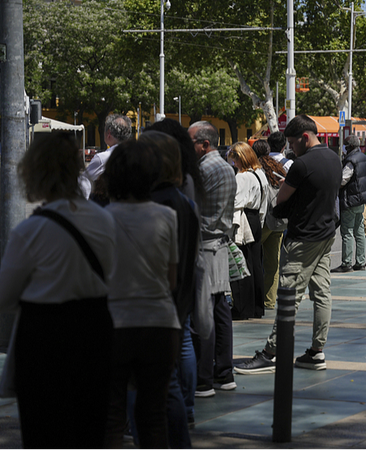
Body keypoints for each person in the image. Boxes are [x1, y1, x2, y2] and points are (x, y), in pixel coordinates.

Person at [0, 132, 116, 449]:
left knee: (44, 431)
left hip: (43, 338)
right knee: (90, 430)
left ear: (34, 174)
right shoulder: (105, 221)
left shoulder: (31, 230)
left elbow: (2, 298)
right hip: (96, 331)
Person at [234, 114, 342, 374]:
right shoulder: (334, 159)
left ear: (305, 137)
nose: (290, 148)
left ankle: (272, 353)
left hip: (302, 238)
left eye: (293, 143)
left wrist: (288, 187)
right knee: (322, 294)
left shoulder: (302, 165)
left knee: (288, 296)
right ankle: (317, 350)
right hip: (325, 234)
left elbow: (281, 201)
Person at [103, 137, 180, 449]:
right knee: (153, 417)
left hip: (113, 324)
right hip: (160, 324)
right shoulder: (167, 216)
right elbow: (171, 279)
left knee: (110, 417)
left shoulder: (102, 218)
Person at [143, 131, 201, 445]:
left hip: (157, 304)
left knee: (159, 387)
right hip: (178, 299)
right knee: (171, 379)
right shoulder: (184, 202)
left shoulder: (156, 204)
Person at [188, 121, 237, 398]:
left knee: (203, 313)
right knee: (220, 310)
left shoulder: (202, 169)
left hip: (204, 245)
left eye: (191, 143)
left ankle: (204, 378)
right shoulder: (226, 166)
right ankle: (224, 372)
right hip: (219, 242)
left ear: (204, 144)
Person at [226, 141, 268, 319]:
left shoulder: (242, 177)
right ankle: (257, 307)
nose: (233, 163)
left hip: (243, 220)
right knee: (255, 264)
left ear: (241, 159)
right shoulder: (260, 174)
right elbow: (264, 202)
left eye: (234, 160)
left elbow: (235, 202)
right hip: (255, 218)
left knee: (241, 263)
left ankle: (242, 308)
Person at [251, 138, 288, 309]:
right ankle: (269, 300)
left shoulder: (256, 169)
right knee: (273, 263)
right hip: (278, 220)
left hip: (264, 220)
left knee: (253, 259)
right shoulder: (277, 167)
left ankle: (253, 297)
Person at [332, 135, 366, 273]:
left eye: (345, 145)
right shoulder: (364, 158)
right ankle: (360, 261)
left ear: (350, 146)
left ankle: (346, 263)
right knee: (359, 231)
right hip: (361, 199)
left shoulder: (351, 160)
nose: (344, 148)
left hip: (350, 199)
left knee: (347, 232)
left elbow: (343, 179)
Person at [86, 114, 133, 202]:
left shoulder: (102, 158)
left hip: (110, 205)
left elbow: (83, 183)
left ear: (109, 133)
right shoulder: (137, 154)